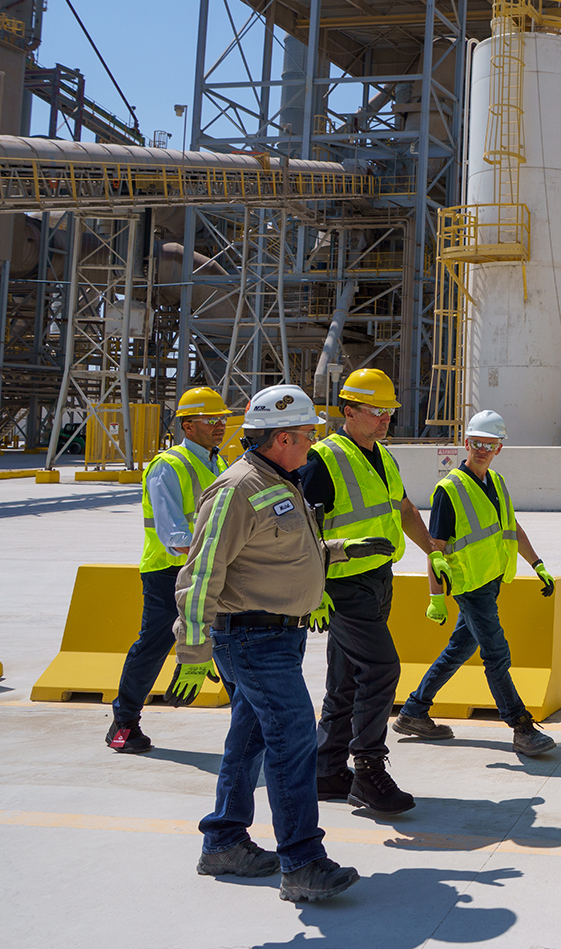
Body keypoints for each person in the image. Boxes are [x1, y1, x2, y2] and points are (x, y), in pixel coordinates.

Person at [165, 383, 394, 903]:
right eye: (308, 434)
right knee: (293, 745)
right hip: (251, 637)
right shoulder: (236, 489)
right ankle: (303, 863)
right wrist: (194, 652)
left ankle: (223, 841)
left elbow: (286, 549)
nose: (314, 442)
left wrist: (339, 549)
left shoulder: (280, 479)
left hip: (276, 637)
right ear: (282, 437)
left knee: (250, 741)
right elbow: (200, 576)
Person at [301, 368, 438, 815]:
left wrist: (432, 551)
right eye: (377, 412)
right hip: (342, 584)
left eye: (389, 412)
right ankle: (368, 770)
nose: (385, 420)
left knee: (346, 679)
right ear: (349, 411)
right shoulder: (322, 460)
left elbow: (401, 507)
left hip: (379, 580)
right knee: (382, 671)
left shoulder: (383, 456)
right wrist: (315, 587)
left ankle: (325, 768)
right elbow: (301, 531)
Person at [390, 410, 559, 756]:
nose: (482, 449)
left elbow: (511, 528)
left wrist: (537, 563)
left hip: (492, 580)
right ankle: (521, 726)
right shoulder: (449, 490)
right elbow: (434, 549)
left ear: (499, 448)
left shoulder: (496, 483)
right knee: (496, 654)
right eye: (477, 443)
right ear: (466, 443)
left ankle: (413, 711)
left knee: (459, 649)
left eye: (490, 444)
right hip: (470, 587)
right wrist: (435, 596)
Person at [107, 386, 229, 753]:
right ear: (187, 425)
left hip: (211, 570)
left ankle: (251, 727)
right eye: (212, 419)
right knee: (155, 645)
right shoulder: (169, 466)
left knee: (229, 643)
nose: (221, 425)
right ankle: (124, 722)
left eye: (223, 418)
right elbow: (174, 534)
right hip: (168, 573)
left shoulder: (218, 463)